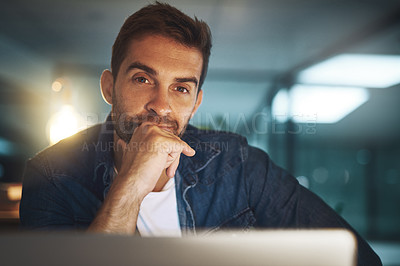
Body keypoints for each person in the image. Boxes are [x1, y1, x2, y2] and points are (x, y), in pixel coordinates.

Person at [19, 2, 381, 265]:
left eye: (180, 88)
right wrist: (130, 184)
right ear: (110, 87)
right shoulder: (51, 176)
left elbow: (359, 258)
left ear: (195, 102)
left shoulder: (238, 164)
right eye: (143, 79)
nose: (160, 105)